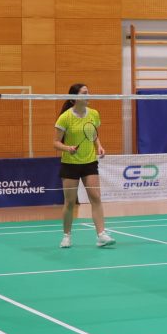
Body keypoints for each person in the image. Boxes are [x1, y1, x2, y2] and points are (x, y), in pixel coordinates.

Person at [54, 83, 114, 248]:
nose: (88, 95)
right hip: (70, 164)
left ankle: (101, 235)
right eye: (84, 93)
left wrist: (99, 146)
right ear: (74, 98)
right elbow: (56, 143)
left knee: (96, 197)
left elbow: (92, 134)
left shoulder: (93, 114)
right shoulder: (65, 117)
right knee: (69, 202)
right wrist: (68, 148)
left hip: (89, 162)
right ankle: (66, 236)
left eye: (88, 92)